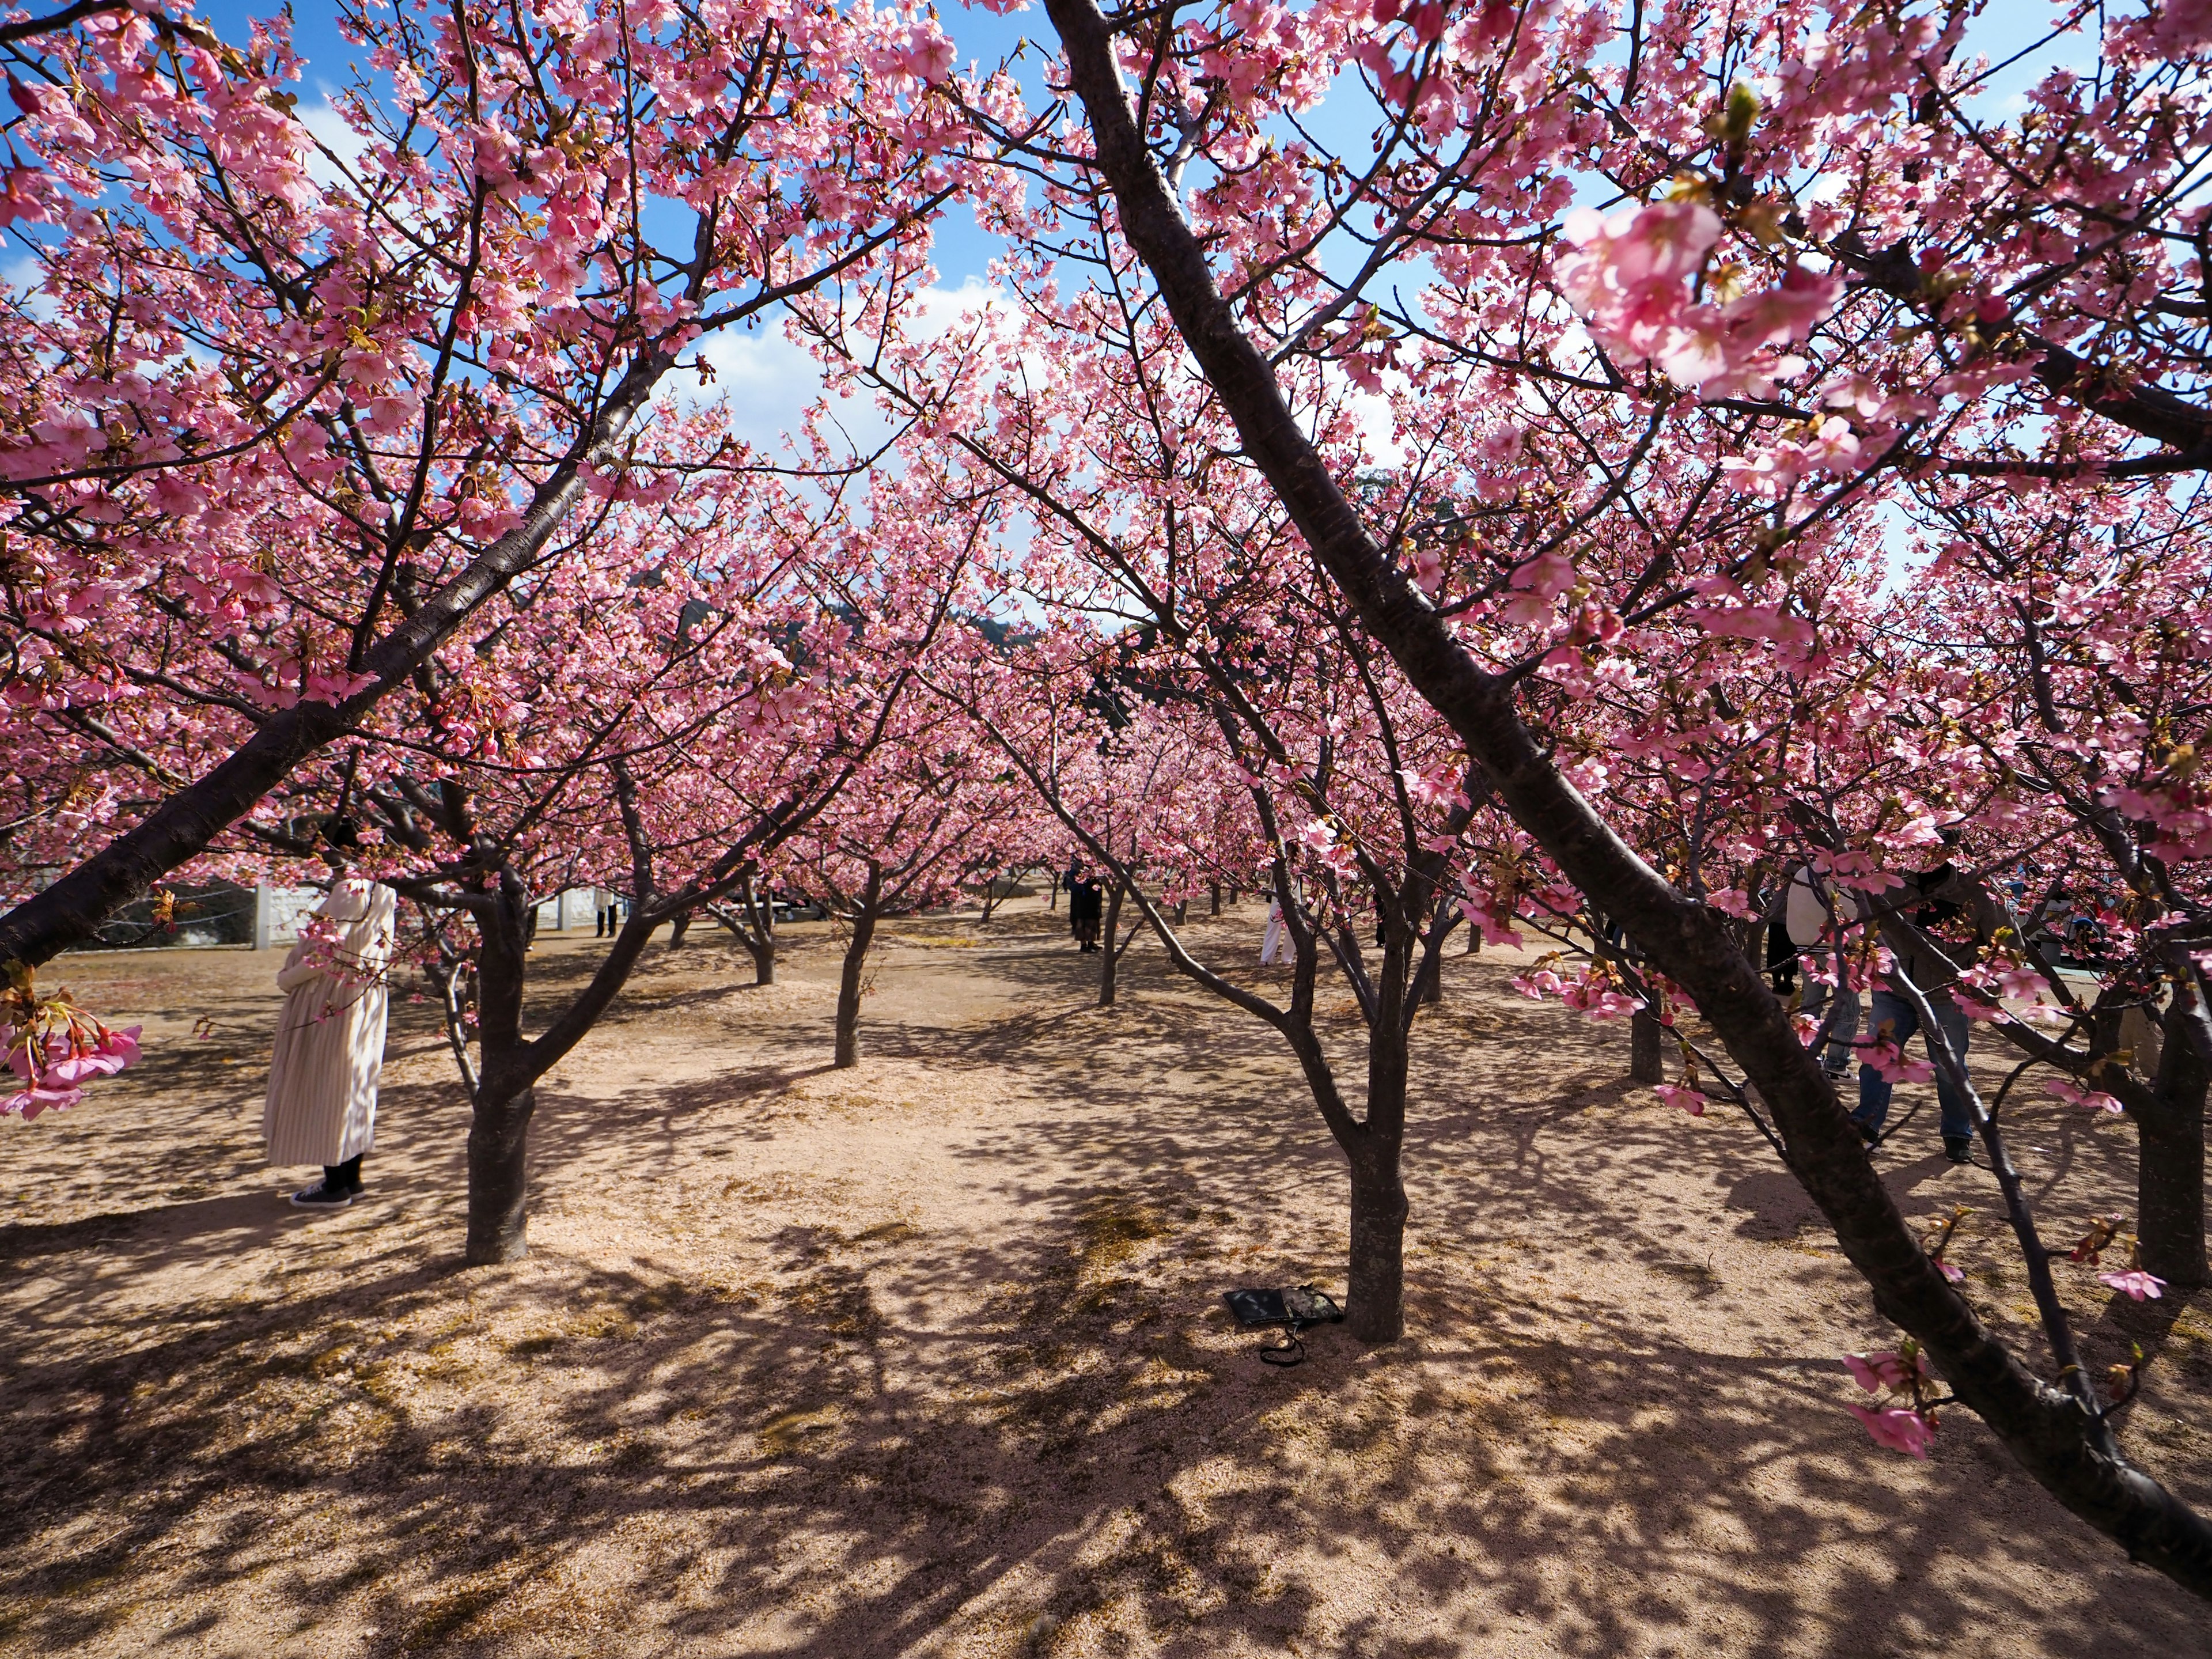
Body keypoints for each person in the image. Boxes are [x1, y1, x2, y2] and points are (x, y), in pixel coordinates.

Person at [1851, 843, 1998, 1164]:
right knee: (1877, 1057)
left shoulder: (1976, 888)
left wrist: (1981, 983)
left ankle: (1958, 1134)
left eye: (1936, 846)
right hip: (1894, 989)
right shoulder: (1894, 878)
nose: (1926, 854)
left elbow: (2002, 942)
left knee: (1951, 1067)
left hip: (1946, 996)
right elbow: (1872, 924)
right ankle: (1866, 1122)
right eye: (1919, 846)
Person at [263, 878, 397, 1208]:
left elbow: (328, 949)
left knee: (327, 1082)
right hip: (362, 994)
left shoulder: (353, 887)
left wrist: (287, 978)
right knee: (351, 1084)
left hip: (331, 995)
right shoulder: (386, 891)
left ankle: (335, 1184)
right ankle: (350, 1178)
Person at [1786, 864, 1859, 1078]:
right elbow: (1850, 912)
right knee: (1847, 1008)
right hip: (1836, 948)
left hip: (1807, 947)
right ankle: (1836, 1064)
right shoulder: (1836, 872)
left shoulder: (1802, 872)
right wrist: (1858, 942)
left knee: (1811, 1005)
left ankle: (1809, 1057)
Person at [1067, 867, 1103, 951]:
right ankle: (1084, 945)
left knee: (1092, 921)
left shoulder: (1094, 866)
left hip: (1093, 899)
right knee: (1083, 921)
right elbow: (1072, 884)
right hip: (1082, 900)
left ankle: (1091, 943)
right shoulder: (1076, 868)